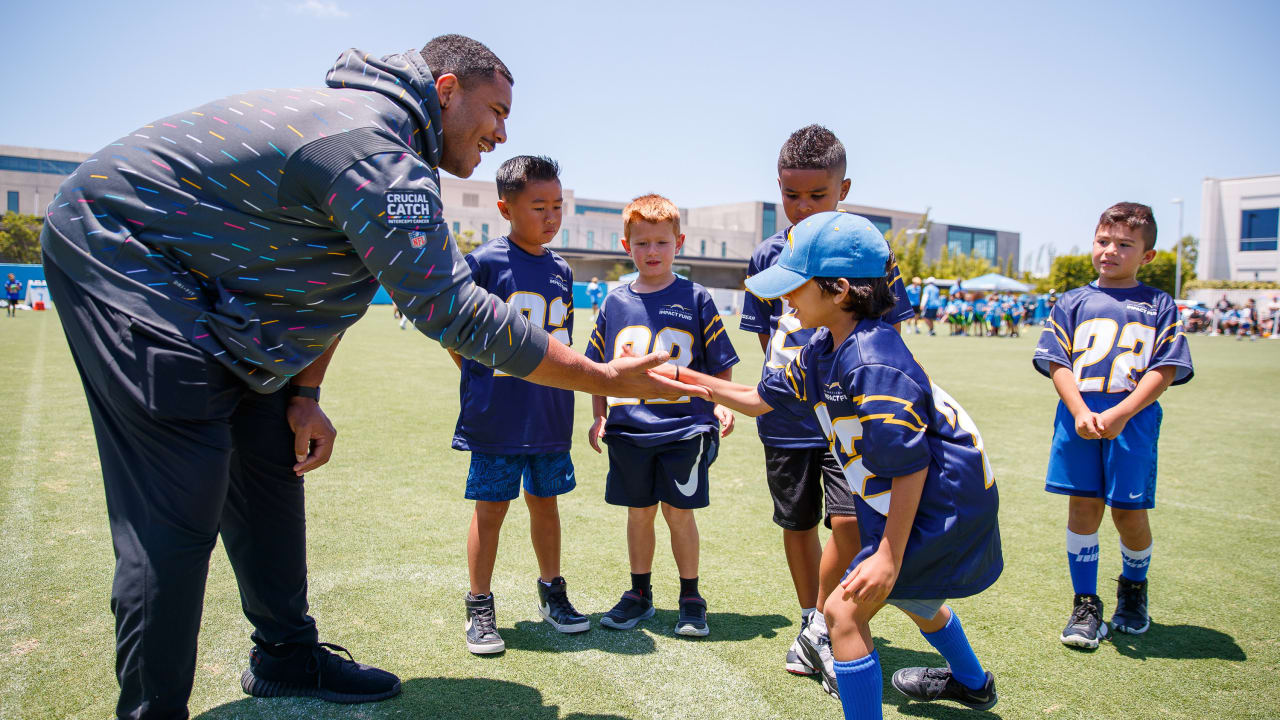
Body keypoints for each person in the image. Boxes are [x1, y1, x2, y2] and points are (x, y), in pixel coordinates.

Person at [39, 35, 701, 720]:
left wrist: (304, 393)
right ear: (446, 91)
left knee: (268, 456)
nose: (504, 133)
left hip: (205, 287)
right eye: (496, 110)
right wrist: (598, 377)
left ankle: (284, 654)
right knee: (180, 502)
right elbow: (452, 310)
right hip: (123, 252)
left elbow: (338, 274)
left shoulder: (389, 142)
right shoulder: (375, 150)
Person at [656, 212, 1002, 718]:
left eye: (795, 286)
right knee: (913, 597)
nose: (785, 300)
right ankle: (973, 684)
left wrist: (887, 552)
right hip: (918, 498)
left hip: (938, 502)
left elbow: (911, 465)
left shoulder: (872, 362)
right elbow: (756, 398)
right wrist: (684, 377)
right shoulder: (824, 346)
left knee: (842, 613)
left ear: (840, 290)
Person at [738, 125, 915, 697]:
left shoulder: (871, 254)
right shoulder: (768, 255)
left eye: (817, 196)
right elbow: (767, 340)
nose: (802, 207)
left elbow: (885, 338)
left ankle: (826, 619)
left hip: (848, 420)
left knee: (847, 520)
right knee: (795, 523)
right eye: (792, 195)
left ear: (844, 188)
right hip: (787, 417)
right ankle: (811, 621)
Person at [1033, 202, 1193, 650]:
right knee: (1083, 509)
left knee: (1128, 512)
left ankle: (1133, 590)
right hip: (1078, 419)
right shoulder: (1071, 301)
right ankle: (1085, 604)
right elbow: (1056, 360)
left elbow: (1166, 367)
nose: (1110, 251)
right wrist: (1081, 409)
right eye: (1103, 241)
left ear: (1147, 256)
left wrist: (1123, 412)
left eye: (1125, 244)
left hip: (1133, 423)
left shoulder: (1159, 303)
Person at [447, 155, 588, 655]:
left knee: (545, 504)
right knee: (491, 510)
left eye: (558, 205)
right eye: (539, 207)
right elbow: (453, 327)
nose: (551, 216)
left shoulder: (562, 269)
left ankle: (553, 593)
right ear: (506, 208)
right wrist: (472, 371)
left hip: (549, 413)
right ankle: (480, 607)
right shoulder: (485, 261)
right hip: (497, 416)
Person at [585, 194, 739, 638]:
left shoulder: (697, 296)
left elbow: (720, 360)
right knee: (638, 512)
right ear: (625, 245)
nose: (652, 252)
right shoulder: (614, 302)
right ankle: (639, 594)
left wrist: (722, 403)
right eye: (642, 243)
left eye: (661, 243)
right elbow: (598, 368)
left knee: (678, 512)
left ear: (679, 243)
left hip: (684, 428)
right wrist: (599, 416)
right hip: (629, 428)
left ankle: (691, 596)